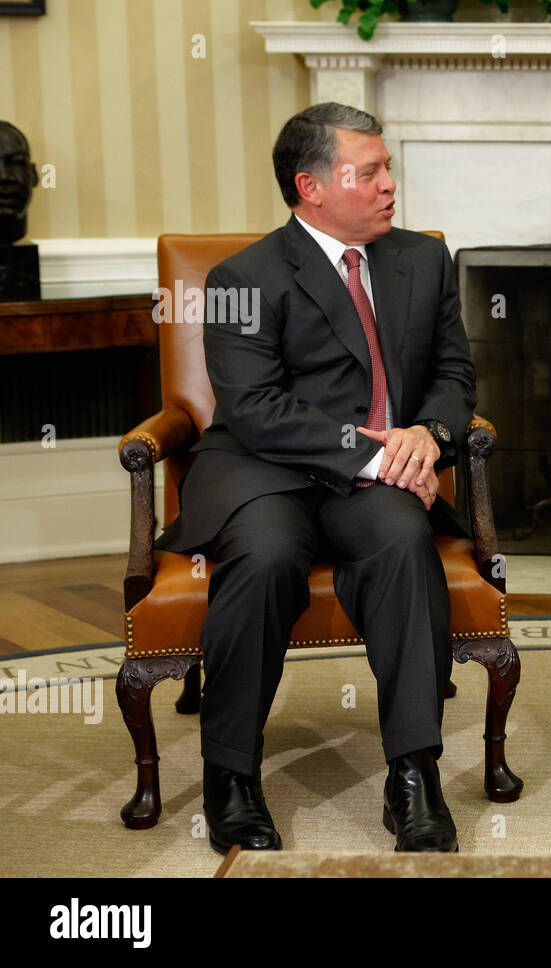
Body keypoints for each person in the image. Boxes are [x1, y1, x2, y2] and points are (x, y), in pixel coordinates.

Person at [157, 102, 477, 854]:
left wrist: (427, 438)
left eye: (388, 167)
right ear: (312, 187)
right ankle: (231, 775)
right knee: (266, 559)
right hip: (264, 473)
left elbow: (455, 376)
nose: (390, 185)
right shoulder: (245, 276)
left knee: (404, 545)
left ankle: (413, 776)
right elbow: (256, 408)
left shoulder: (421, 261)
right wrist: (380, 454)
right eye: (369, 172)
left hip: (376, 484)